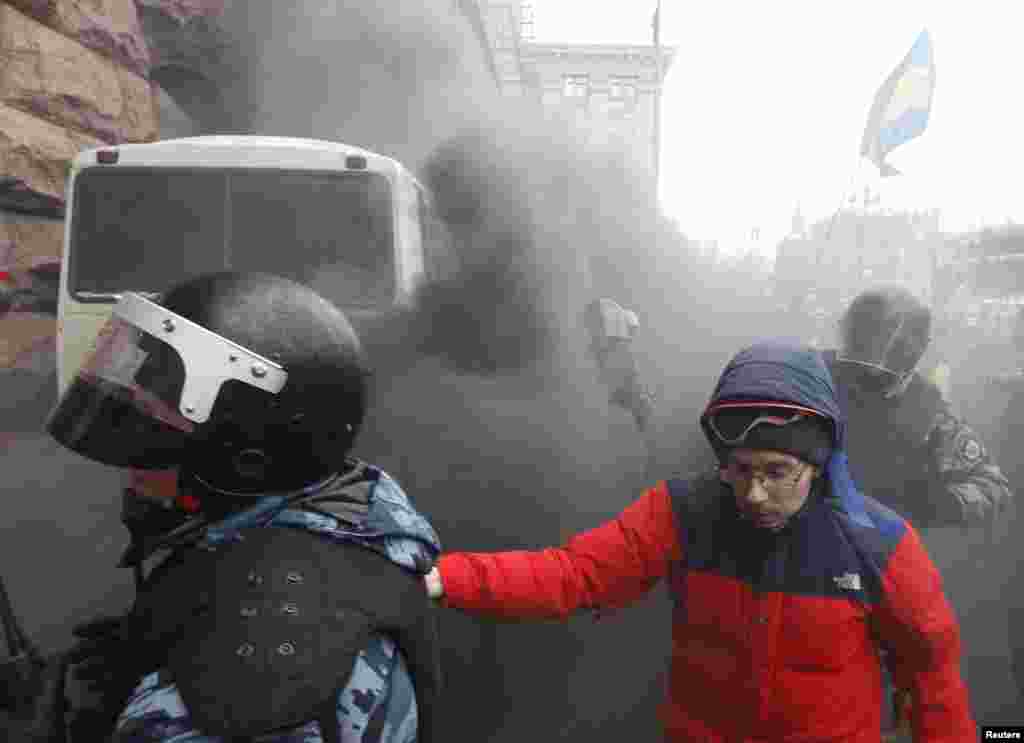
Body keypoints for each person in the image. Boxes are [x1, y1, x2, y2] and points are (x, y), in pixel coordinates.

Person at [421, 339, 975, 742]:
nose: (754, 494)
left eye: (776, 472)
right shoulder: (683, 512)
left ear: (818, 461)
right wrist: (443, 578)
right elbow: (575, 574)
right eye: (738, 470)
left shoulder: (879, 544)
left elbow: (934, 680)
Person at [47, 272, 442, 743]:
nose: (131, 464)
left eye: (157, 432)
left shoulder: (246, 692)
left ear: (245, 462)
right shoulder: (347, 517)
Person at [824, 286, 1012, 529]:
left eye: (881, 338)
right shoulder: (813, 381)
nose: (869, 356)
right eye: (865, 336)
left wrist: (940, 503)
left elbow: (992, 486)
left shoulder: (927, 411)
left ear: (913, 349)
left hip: (882, 547)